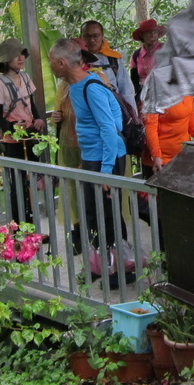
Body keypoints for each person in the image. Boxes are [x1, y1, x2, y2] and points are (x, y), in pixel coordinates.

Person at [48, 38, 128, 251]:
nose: (50, 65)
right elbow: (89, 129)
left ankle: (120, 266)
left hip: (107, 159)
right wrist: (88, 160)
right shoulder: (74, 87)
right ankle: (99, 263)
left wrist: (106, 171)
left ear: (62, 63)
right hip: (94, 157)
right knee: (92, 214)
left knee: (108, 215)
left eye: (51, 61)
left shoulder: (92, 87)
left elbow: (110, 129)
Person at [0, 37, 46, 224]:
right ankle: (20, 225)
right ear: (6, 60)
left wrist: (38, 119)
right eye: (16, 56)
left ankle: (30, 224)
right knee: (18, 184)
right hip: (12, 141)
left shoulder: (25, 77)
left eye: (22, 54)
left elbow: (31, 103)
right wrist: (12, 128)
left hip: (29, 136)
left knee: (31, 182)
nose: (21, 59)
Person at [51, 38, 98, 253]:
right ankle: (78, 234)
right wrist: (57, 117)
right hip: (69, 143)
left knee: (91, 192)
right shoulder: (64, 85)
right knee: (72, 190)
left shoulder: (95, 81)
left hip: (89, 147)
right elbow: (59, 111)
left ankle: (97, 240)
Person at [141, 94, 194, 178]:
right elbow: (150, 128)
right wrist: (156, 156)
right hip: (161, 161)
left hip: (182, 157)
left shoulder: (188, 93)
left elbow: (192, 123)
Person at [80, 20, 135, 103]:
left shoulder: (113, 59)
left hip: (113, 109)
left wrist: (131, 114)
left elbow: (126, 90)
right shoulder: (74, 60)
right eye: (87, 36)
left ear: (102, 36)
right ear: (81, 37)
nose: (92, 40)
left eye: (96, 36)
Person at [129, 19, 166, 106]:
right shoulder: (137, 55)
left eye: (155, 32)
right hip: (145, 96)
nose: (153, 35)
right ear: (142, 35)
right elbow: (134, 81)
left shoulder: (166, 50)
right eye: (149, 32)